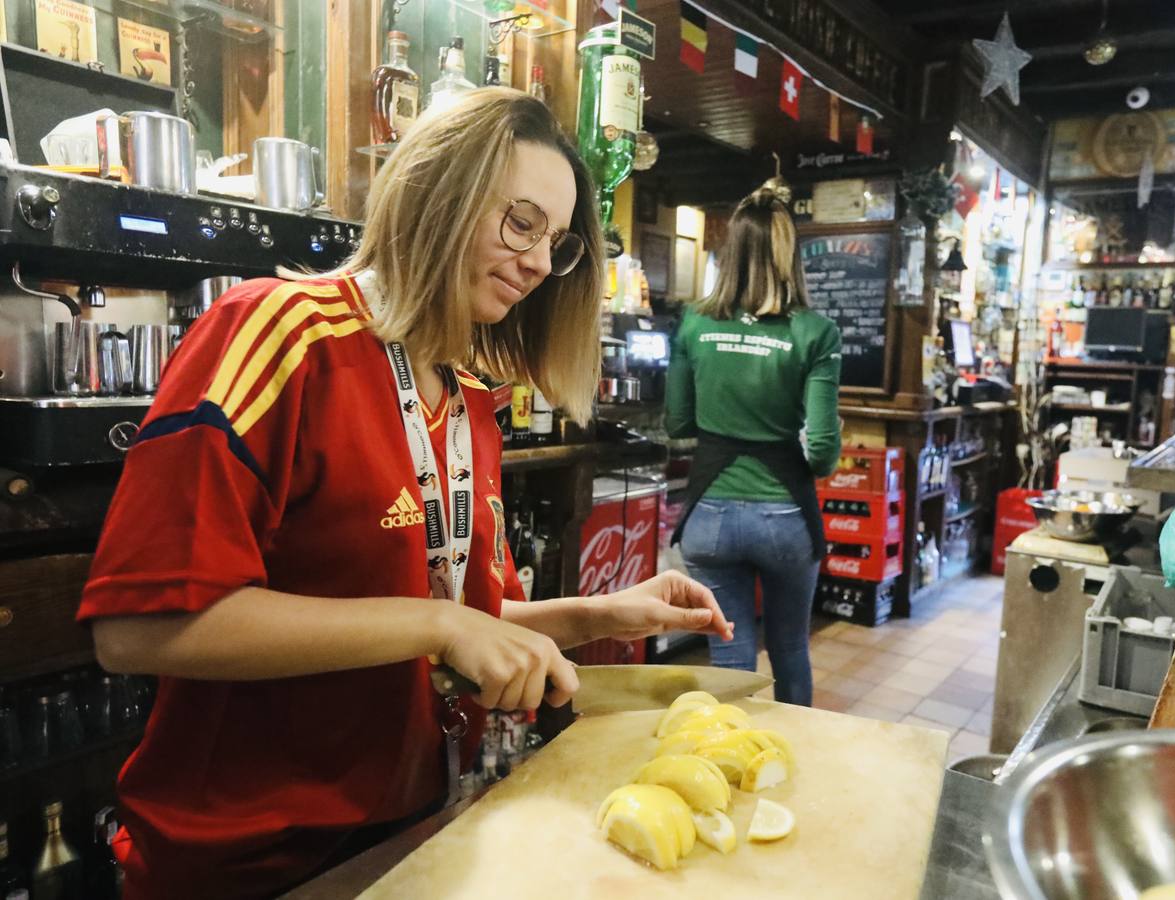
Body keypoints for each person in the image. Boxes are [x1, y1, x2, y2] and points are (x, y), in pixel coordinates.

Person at [77, 88, 732, 900]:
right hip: (248, 858)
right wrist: (438, 621)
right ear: (436, 192)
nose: (535, 262)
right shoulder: (280, 331)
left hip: (407, 822)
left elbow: (454, 624)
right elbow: (139, 628)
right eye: (521, 222)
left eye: (555, 244)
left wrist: (598, 615)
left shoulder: (469, 398)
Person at [666, 180, 842, 707]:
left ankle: (725, 765)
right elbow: (822, 454)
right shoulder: (815, 332)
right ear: (790, 254)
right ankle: (790, 763)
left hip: (709, 519)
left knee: (729, 655)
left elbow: (677, 422)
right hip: (786, 519)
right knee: (790, 648)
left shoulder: (694, 323)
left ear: (731, 249)